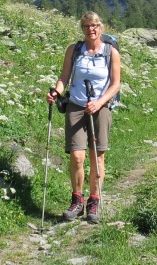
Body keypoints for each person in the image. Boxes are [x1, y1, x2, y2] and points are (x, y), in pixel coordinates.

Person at [45, 12, 121, 223]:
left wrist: (100, 102)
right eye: (86, 26)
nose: (91, 29)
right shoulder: (74, 50)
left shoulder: (111, 52)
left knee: (97, 156)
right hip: (76, 105)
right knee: (77, 156)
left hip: (101, 107)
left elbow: (115, 84)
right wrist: (56, 92)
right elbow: (64, 77)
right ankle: (77, 200)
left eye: (94, 25)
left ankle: (93, 201)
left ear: (101, 27)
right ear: (82, 28)